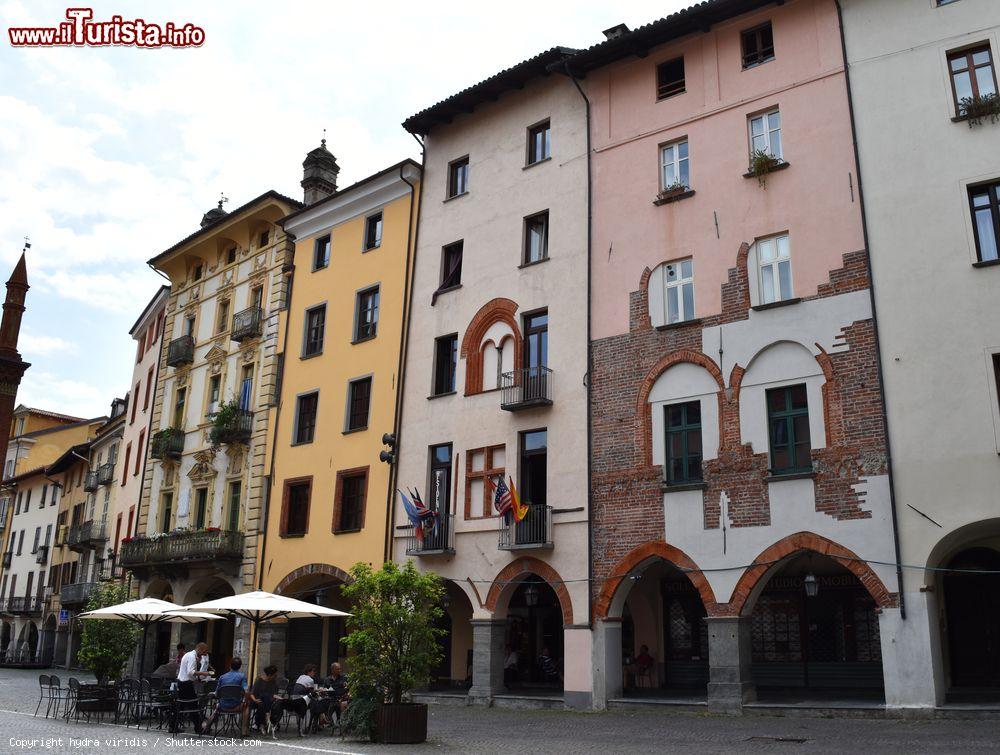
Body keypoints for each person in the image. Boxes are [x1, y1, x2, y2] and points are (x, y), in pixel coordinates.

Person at [177, 642, 212, 734]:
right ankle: (198, 728)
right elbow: (190, 672)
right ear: (200, 649)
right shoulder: (192, 657)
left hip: (182, 683)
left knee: (181, 705)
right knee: (194, 706)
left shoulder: (188, 655)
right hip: (186, 684)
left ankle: (173, 726)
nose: (205, 654)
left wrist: (196, 679)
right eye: (204, 651)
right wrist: (204, 673)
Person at [248, 665, 279, 737]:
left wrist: (279, 698)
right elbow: (252, 693)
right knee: (262, 700)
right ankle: (266, 719)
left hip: (268, 702)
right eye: (274, 675)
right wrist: (255, 700)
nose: (276, 677)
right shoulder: (259, 680)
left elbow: (274, 694)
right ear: (269, 675)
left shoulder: (273, 682)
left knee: (265, 699)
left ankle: (259, 724)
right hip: (256, 701)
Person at [286, 663, 318, 733]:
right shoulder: (310, 680)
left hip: (294, 699)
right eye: (314, 671)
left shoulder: (301, 676)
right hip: (301, 702)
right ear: (309, 672)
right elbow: (312, 693)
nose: (315, 673)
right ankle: (313, 725)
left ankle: (301, 726)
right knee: (316, 704)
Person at [318, 662, 349, 728]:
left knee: (335, 705)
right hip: (330, 699)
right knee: (320, 703)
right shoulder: (327, 679)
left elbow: (348, 688)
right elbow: (323, 688)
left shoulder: (344, 677)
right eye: (337, 669)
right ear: (332, 670)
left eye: (340, 669)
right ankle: (327, 720)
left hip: (341, 698)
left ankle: (334, 720)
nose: (339, 670)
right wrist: (322, 689)